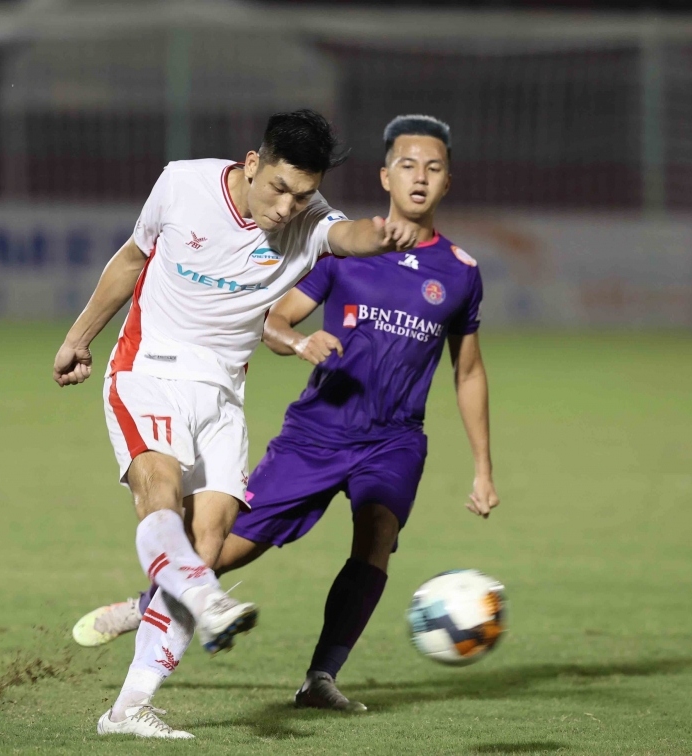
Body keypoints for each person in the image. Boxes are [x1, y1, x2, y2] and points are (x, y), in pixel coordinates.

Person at [72, 114, 499, 714]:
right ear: (386, 175)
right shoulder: (324, 239)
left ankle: (320, 677)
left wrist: (482, 467)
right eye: (408, 165)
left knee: (377, 536)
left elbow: (469, 369)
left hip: (395, 438)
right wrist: (301, 344)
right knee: (222, 547)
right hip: (318, 430)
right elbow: (276, 315)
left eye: (433, 168)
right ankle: (151, 599)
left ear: (448, 182)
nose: (420, 178)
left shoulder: (457, 271)